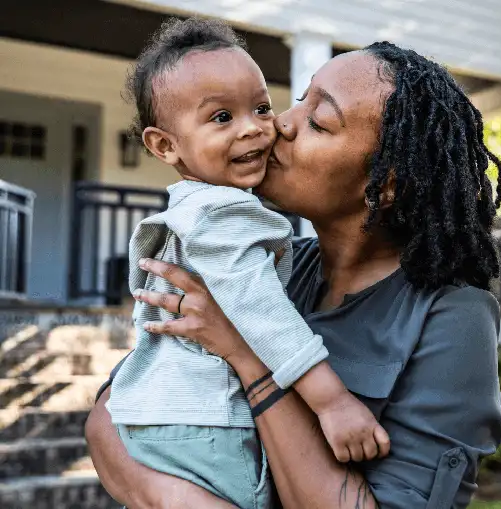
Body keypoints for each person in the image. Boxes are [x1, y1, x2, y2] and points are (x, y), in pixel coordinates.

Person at [87, 38, 501, 509]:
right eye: (300, 98)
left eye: (319, 121)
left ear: (384, 184)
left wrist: (248, 357)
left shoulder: (452, 316)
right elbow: (113, 412)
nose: (279, 123)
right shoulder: (266, 263)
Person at [107, 18, 388, 509]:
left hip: (161, 417)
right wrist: (332, 402)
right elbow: (263, 314)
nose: (256, 128)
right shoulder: (221, 212)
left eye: (260, 107)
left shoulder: (190, 209)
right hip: (206, 421)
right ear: (165, 146)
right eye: (221, 118)